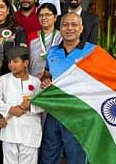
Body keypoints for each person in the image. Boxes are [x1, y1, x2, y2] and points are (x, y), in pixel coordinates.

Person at [39, 12, 93, 164]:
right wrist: (46, 80)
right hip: (55, 112)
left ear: (81, 28)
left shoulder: (93, 52)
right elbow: (47, 74)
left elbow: (114, 77)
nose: (70, 28)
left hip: (78, 114)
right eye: (65, 25)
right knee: (47, 157)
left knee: (76, 158)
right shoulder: (53, 52)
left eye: (74, 24)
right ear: (60, 29)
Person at [0, 46, 43, 164]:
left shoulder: (36, 82)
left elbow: (42, 105)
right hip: (10, 130)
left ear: (26, 63)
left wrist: (29, 107)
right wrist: (11, 109)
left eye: (15, 61)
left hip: (30, 132)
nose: (11, 65)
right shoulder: (4, 80)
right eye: (9, 62)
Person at [27, 3, 62, 78]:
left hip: (55, 79)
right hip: (33, 79)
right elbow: (26, 59)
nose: (43, 18)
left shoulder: (61, 37)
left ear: (55, 17)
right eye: (40, 15)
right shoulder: (31, 36)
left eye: (47, 14)